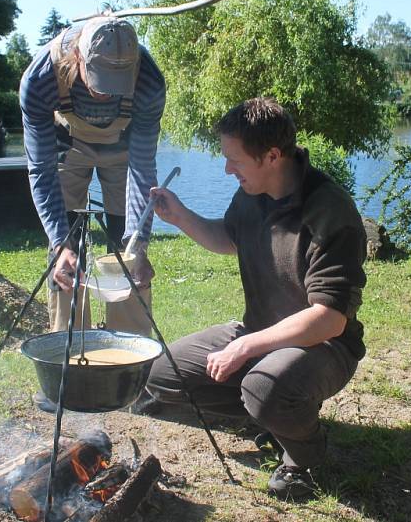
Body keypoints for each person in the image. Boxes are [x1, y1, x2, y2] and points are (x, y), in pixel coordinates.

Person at [144, 97, 367, 500]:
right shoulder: (252, 193)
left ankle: (305, 456)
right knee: (163, 375)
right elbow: (230, 238)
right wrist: (180, 216)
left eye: (235, 160)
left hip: (325, 347)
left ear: (272, 156)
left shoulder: (330, 213)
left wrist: (246, 346)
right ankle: (268, 415)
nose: (227, 169)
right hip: (260, 333)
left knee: (265, 389)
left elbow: (330, 319)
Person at [20, 16, 165, 341]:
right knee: (66, 247)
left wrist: (138, 243)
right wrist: (60, 244)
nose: (107, 94)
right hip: (66, 146)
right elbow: (41, 169)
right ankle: (67, 349)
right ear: (78, 59)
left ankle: (131, 354)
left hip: (122, 149)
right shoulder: (41, 78)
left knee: (126, 245)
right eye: (100, 80)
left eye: (118, 82)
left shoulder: (149, 82)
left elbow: (142, 166)